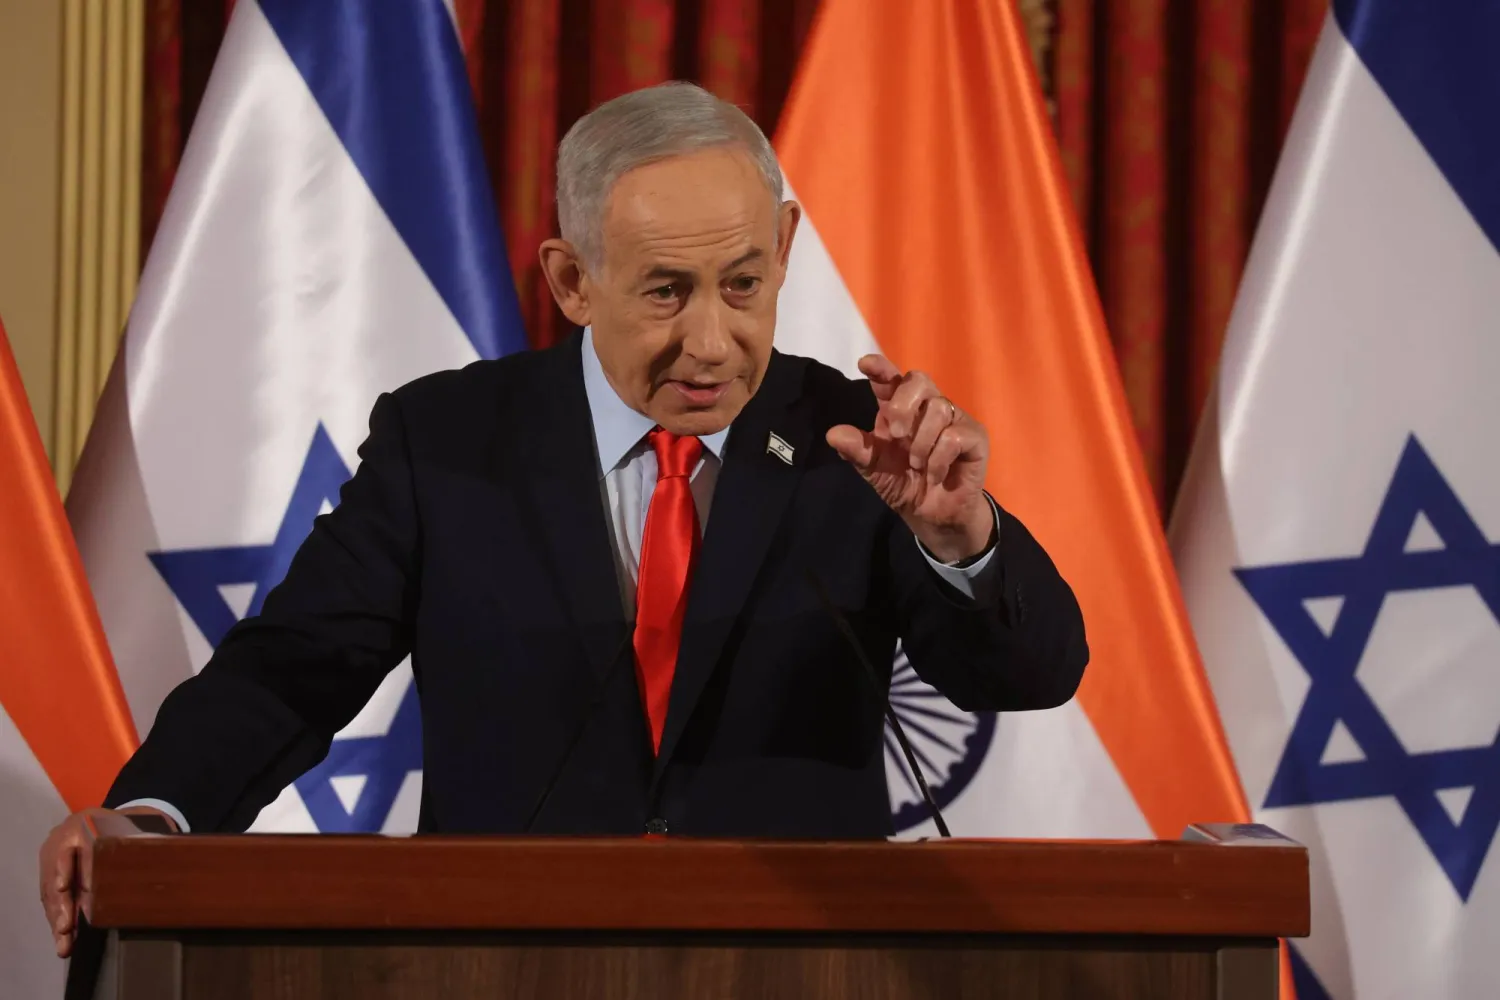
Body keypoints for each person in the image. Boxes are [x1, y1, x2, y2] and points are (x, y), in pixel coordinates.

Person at [39, 82, 1088, 958]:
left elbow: (1033, 674)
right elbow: (292, 670)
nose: (711, 342)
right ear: (573, 280)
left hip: (795, 967)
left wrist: (961, 537)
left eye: (743, 284)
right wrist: (151, 819)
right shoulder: (448, 442)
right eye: (666, 292)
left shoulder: (861, 445)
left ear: (784, 245)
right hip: (501, 962)